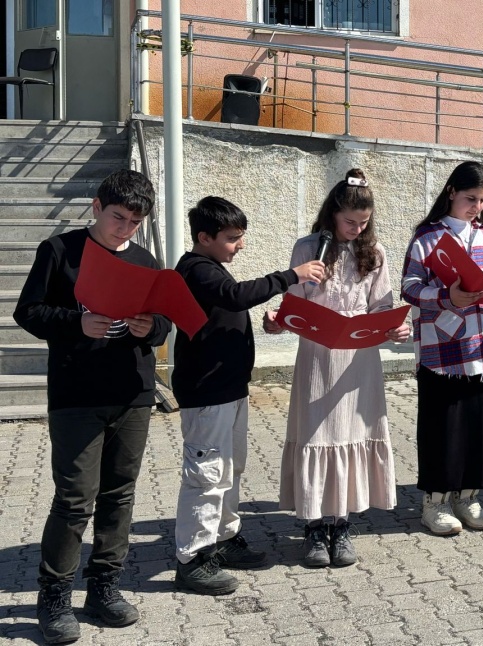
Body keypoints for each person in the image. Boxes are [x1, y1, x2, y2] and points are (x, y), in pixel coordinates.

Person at [13, 169, 170, 644]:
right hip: (77, 395)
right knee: (74, 499)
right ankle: (54, 598)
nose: (125, 228)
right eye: (118, 217)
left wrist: (152, 329)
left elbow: (164, 321)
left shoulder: (146, 259)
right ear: (97, 207)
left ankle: (104, 589)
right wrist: (76, 323)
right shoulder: (59, 251)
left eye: (134, 222)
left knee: (120, 494)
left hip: (133, 392)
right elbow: (28, 311)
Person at [171, 196, 326, 594]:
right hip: (207, 395)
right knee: (206, 476)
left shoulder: (212, 268)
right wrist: (291, 275)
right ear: (204, 237)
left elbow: (230, 304)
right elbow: (237, 295)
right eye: (232, 238)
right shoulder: (194, 270)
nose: (240, 245)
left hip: (230, 390)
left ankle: (223, 539)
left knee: (230, 469)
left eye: (241, 237)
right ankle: (193, 558)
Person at [263, 169, 409, 567]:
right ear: (332, 214)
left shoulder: (374, 252)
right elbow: (291, 303)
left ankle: (342, 524)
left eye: (363, 223)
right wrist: (276, 321)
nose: (356, 229)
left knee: (350, 433)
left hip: (359, 361)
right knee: (315, 434)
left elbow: (382, 305)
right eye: (349, 222)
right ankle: (313, 526)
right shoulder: (306, 247)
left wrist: (395, 327)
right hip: (316, 355)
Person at [401, 161, 483, 535]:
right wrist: (445, 295)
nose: (476, 207)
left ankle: (468, 496)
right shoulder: (427, 238)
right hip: (442, 350)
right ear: (451, 191)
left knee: (480, 426)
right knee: (442, 427)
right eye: (470, 198)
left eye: (482, 200)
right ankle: (434, 502)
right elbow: (410, 288)